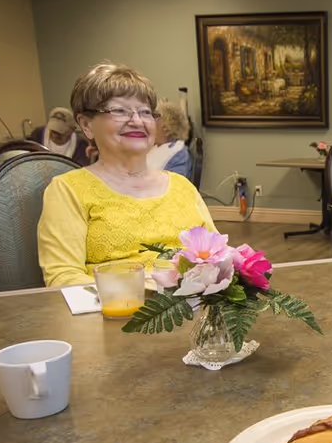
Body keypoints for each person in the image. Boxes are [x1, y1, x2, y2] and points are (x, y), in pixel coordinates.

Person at [37, 63, 217, 287]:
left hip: (193, 310)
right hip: (114, 314)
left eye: (145, 112)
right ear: (86, 125)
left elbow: (218, 255)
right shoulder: (67, 190)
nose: (137, 120)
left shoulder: (182, 187)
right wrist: (148, 295)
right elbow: (63, 278)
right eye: (119, 111)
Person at [147, 100, 193, 180]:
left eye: (156, 117)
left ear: (167, 127)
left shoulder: (179, 154)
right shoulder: (156, 147)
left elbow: (174, 186)